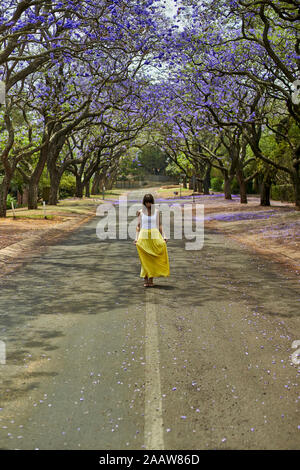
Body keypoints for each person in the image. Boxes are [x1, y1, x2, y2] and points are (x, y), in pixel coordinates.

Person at [134, 193, 170, 287]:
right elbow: (138, 226)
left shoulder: (157, 212)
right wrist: (136, 238)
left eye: (150, 202)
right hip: (143, 236)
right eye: (146, 202)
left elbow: (160, 225)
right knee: (144, 258)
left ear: (152, 202)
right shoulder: (140, 212)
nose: (148, 204)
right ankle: (145, 278)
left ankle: (151, 279)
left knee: (153, 258)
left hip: (154, 235)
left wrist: (164, 236)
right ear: (144, 202)